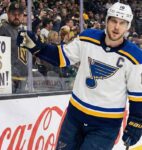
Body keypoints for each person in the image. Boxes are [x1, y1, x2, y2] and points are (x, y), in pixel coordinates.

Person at [17, 2, 142, 150]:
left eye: (122, 23)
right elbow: (61, 56)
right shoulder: (88, 38)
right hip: (74, 118)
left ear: (127, 26)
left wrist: (136, 122)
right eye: (114, 21)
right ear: (107, 20)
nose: (117, 27)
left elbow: (137, 95)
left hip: (105, 127)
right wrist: (36, 47)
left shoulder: (135, 57)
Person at [0, 1, 28, 93]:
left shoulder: (22, 30)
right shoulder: (0, 29)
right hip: (9, 79)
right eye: (13, 14)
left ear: (23, 15)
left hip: (23, 77)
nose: (16, 16)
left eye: (19, 14)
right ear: (8, 14)